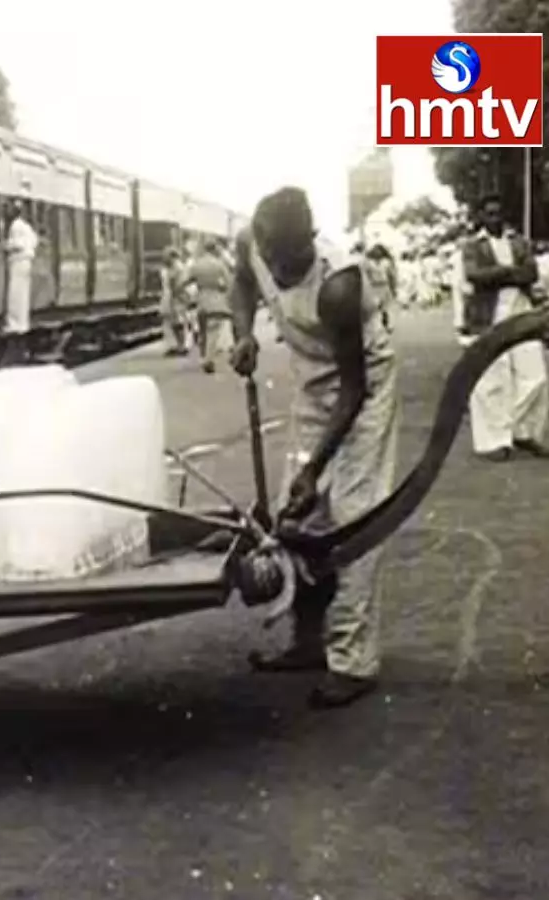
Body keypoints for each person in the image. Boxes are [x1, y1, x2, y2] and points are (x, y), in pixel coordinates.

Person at [228, 186, 398, 710]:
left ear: (310, 241)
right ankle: (307, 642)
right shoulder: (250, 246)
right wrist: (243, 334)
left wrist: (316, 469)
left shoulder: (339, 284)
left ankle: (353, 663)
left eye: (289, 262)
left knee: (352, 521)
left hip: (362, 390)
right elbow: (241, 286)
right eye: (271, 261)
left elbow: (351, 389)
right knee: (295, 519)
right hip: (309, 385)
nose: (278, 273)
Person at [455, 192, 549, 462]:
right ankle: (493, 441)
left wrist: (498, 274)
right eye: (490, 213)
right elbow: (474, 276)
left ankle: (522, 431)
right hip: (488, 315)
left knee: (535, 377)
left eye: (499, 212)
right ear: (481, 216)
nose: (495, 218)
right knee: (491, 380)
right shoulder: (473, 245)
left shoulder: (518, 241)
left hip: (521, 310)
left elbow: (531, 272)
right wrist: (510, 272)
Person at [185, 239, 234, 373]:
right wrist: (222, 289)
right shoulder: (219, 264)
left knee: (203, 332)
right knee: (213, 331)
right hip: (216, 300)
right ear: (214, 249)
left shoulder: (196, 265)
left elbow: (184, 282)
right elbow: (229, 284)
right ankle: (208, 360)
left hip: (201, 301)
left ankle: (204, 357)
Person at [1, 199, 39, 365]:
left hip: (18, 261)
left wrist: (6, 245)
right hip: (27, 262)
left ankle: (15, 331)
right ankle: (21, 330)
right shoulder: (26, 226)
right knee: (22, 299)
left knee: (15, 298)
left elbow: (16, 244)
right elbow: (34, 241)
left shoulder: (15, 226)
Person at [159, 246, 189, 356]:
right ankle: (176, 345)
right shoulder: (169, 268)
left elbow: (179, 284)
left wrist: (174, 296)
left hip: (176, 298)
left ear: (172, 256)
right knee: (172, 323)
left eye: (166, 256)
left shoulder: (178, 268)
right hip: (170, 297)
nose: (164, 259)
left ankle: (182, 346)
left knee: (178, 322)